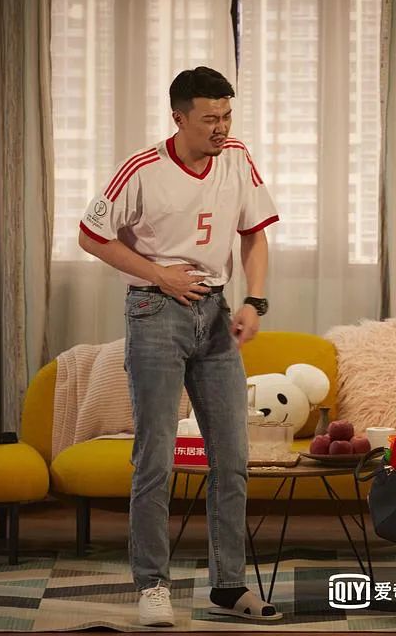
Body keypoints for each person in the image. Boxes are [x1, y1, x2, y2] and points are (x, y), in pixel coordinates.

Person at [78, 66, 281, 627]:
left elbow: (254, 234)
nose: (222, 128)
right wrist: (159, 275)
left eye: (228, 116)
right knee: (155, 457)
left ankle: (229, 586)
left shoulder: (236, 156)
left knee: (232, 458)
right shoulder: (142, 170)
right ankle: (152, 585)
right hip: (153, 311)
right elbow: (90, 235)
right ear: (179, 118)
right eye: (210, 118)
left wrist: (254, 300)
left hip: (216, 314)